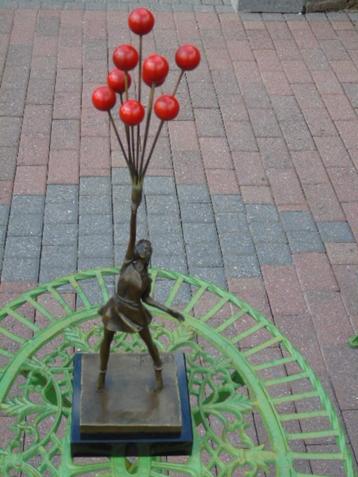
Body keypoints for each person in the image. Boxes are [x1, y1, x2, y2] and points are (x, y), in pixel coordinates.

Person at [97, 184, 184, 391]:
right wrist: (134, 209)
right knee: (106, 339)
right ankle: (101, 375)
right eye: (142, 246)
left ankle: (158, 372)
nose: (145, 248)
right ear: (136, 250)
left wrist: (169, 310)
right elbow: (132, 232)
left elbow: (147, 299)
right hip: (116, 307)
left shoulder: (146, 278)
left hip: (135, 311)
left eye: (149, 247)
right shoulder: (127, 262)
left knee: (149, 342)